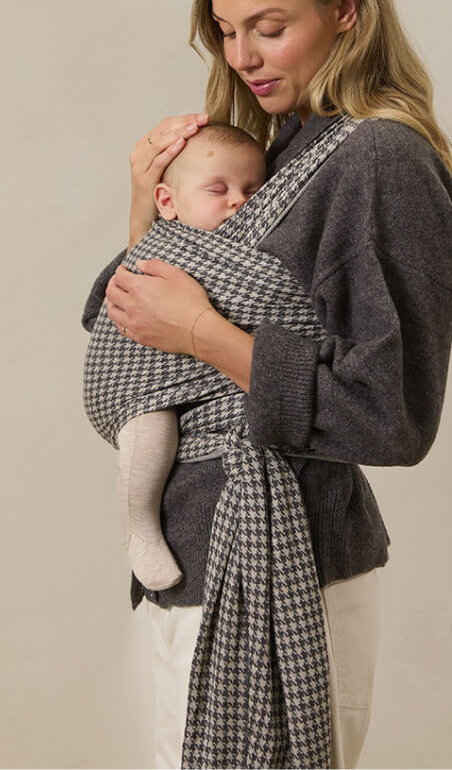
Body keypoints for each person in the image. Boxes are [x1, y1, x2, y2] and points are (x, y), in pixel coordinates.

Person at [82, 0, 452, 770]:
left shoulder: (379, 159)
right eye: (224, 29)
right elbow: (135, 339)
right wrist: (147, 206)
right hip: (194, 558)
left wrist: (206, 335)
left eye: (267, 25)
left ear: (345, 9)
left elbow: (392, 416)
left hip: (294, 566)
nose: (242, 55)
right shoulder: (275, 150)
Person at [84, 123, 266, 592]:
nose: (237, 201)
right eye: (217, 188)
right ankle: (138, 522)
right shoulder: (164, 245)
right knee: (150, 435)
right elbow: (102, 308)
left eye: (252, 188)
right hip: (141, 383)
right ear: (168, 202)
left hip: (216, 387)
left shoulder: (254, 244)